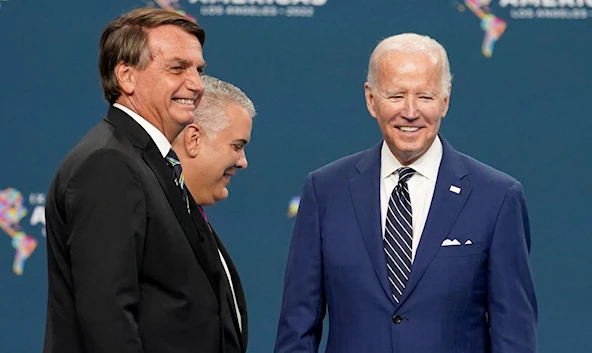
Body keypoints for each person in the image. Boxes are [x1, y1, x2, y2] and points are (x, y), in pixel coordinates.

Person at [274, 33, 537, 353]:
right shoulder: (324, 191)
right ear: (371, 99)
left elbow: (514, 334)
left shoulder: (497, 197)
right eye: (396, 95)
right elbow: (298, 326)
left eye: (425, 96)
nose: (410, 112)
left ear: (446, 100)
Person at [44, 8, 244, 353]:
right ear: (126, 76)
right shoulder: (108, 163)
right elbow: (107, 318)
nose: (196, 84)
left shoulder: (149, 161)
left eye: (199, 69)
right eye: (177, 68)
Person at [171, 75, 255, 350]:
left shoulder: (191, 218)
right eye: (237, 146)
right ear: (194, 139)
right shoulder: (159, 219)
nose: (242, 162)